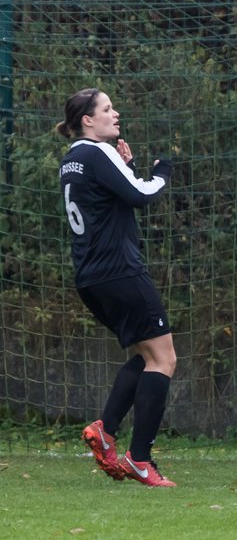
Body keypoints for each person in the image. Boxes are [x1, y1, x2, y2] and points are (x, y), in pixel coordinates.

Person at [58, 88, 179, 487]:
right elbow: (141, 195)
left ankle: (105, 432)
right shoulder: (97, 152)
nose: (116, 112)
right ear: (88, 121)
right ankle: (139, 458)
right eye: (107, 108)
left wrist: (128, 167)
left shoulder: (72, 159)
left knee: (146, 355)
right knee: (164, 359)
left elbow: (112, 198)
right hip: (120, 272)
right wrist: (162, 171)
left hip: (91, 276)